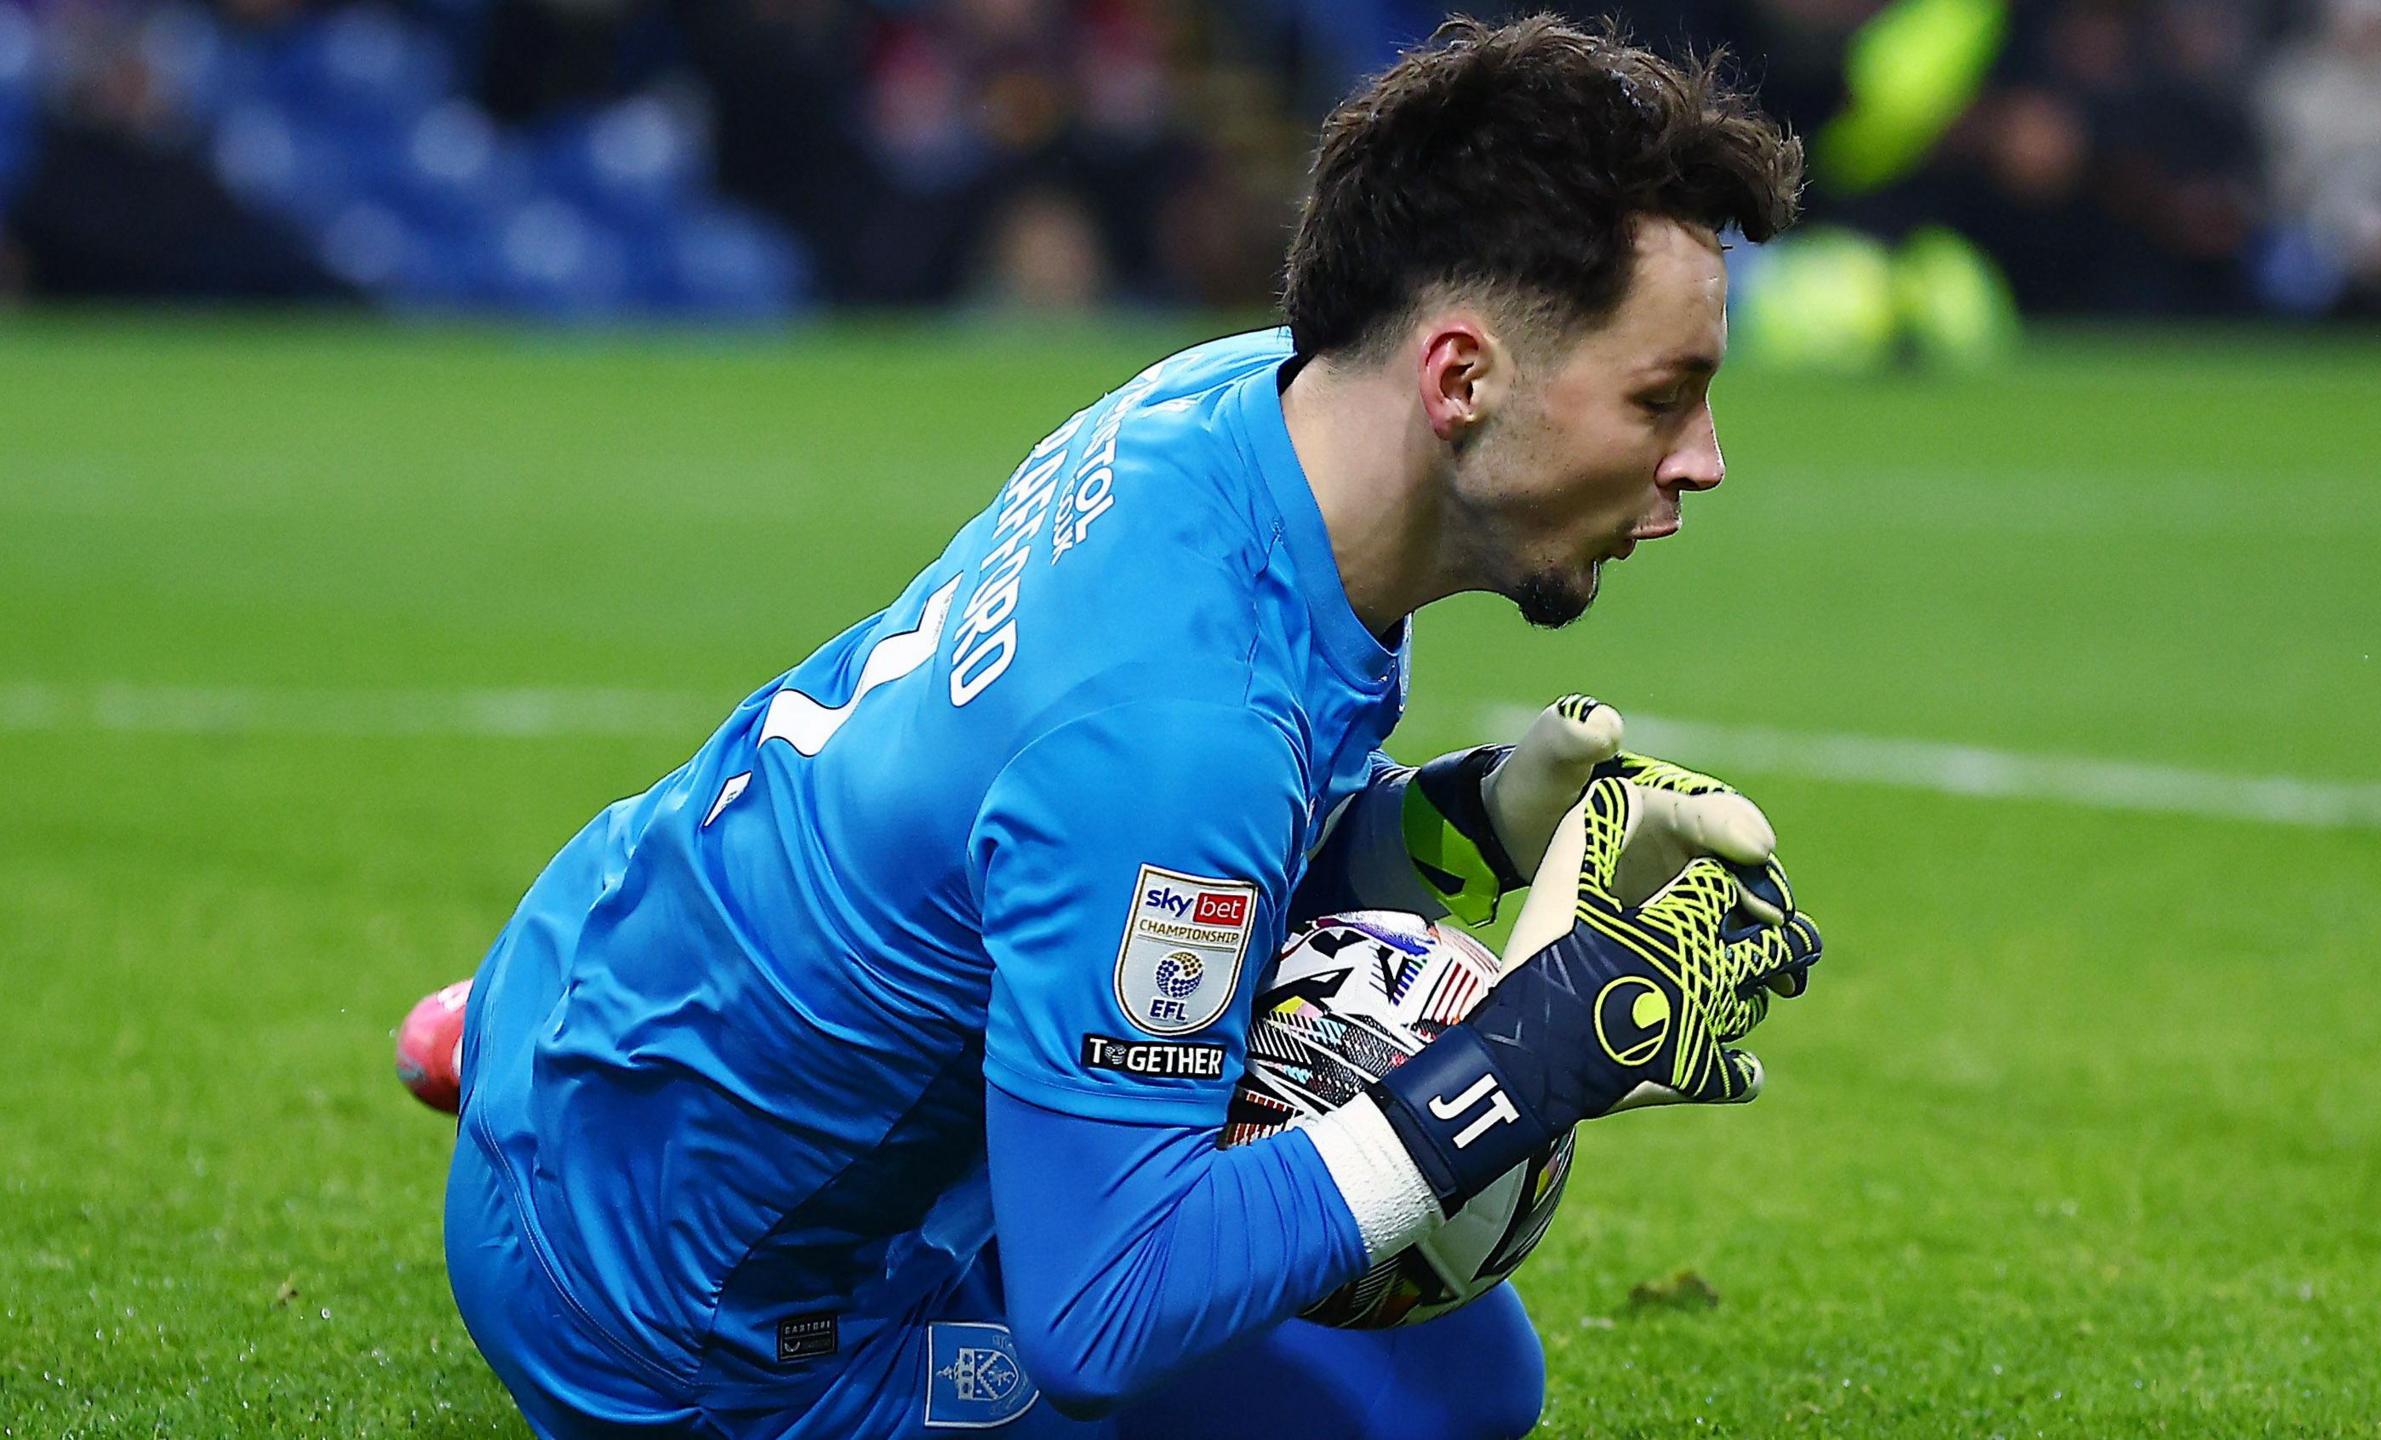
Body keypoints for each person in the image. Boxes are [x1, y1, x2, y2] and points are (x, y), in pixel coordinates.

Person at [403, 16, 1820, 1439]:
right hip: (684, 1338)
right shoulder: (1178, 738)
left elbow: (1151, 861)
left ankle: (584, 1085)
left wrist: (1472, 822)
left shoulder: (1230, 406)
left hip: (592, 969)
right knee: (1445, 1396)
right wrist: (1526, 1056)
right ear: (1458, 379)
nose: (1701, 460)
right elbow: (1101, 1316)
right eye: (1664, 396)